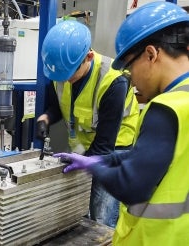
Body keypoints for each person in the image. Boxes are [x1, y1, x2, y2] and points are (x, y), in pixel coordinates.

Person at [54, 2, 189, 245]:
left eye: (128, 66)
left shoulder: (167, 108)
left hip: (155, 238)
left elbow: (131, 185)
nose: (130, 79)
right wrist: (100, 160)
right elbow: (156, 162)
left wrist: (93, 168)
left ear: (151, 54)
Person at [37, 20, 139, 228]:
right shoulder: (63, 71)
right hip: (85, 146)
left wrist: (83, 165)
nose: (65, 82)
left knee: (101, 213)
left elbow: (104, 145)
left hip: (115, 150)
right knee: (80, 208)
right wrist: (46, 117)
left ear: (89, 57)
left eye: (69, 76)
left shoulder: (113, 81)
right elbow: (59, 105)